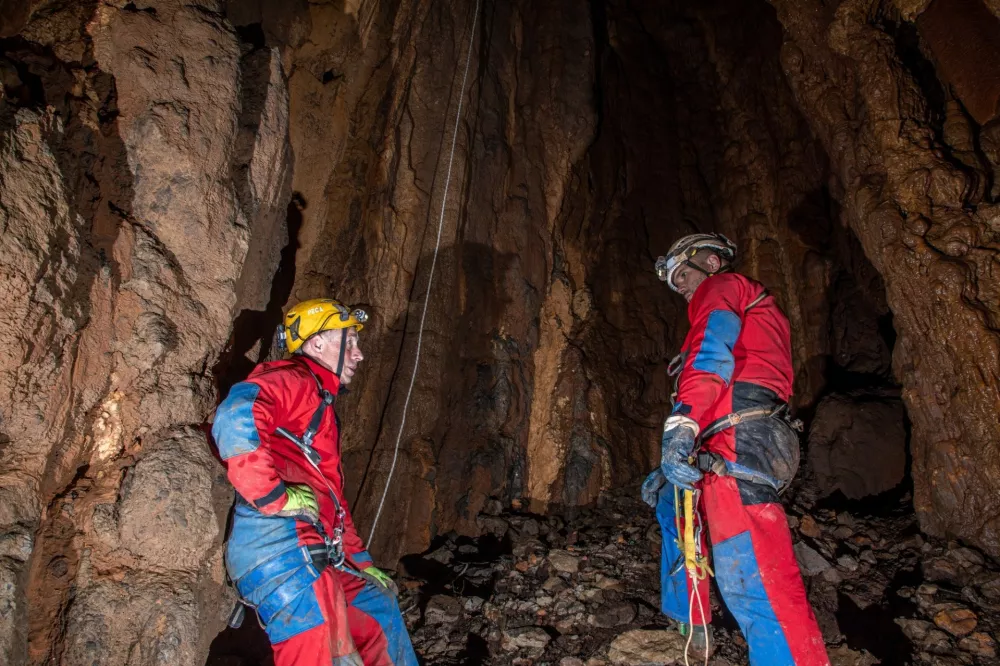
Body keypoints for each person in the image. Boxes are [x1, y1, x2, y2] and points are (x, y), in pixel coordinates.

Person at [642, 233, 830, 665]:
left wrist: (683, 421)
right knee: (673, 507)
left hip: (742, 433)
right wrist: (672, 456)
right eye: (676, 284)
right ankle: (694, 625)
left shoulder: (723, 288)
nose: (682, 287)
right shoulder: (729, 305)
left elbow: (712, 353)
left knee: (750, 566)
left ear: (710, 261)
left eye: (684, 275)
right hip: (726, 430)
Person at [213, 298, 418, 666]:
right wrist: (273, 496)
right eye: (349, 342)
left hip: (316, 547)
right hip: (279, 549)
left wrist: (360, 560)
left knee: (377, 607)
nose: (359, 355)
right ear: (316, 344)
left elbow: (330, 501)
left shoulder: (320, 403)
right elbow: (237, 413)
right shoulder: (295, 379)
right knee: (319, 651)